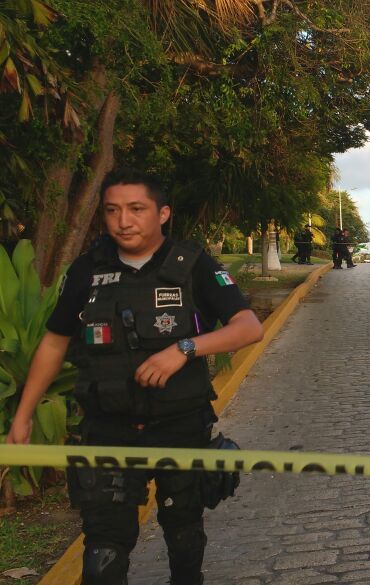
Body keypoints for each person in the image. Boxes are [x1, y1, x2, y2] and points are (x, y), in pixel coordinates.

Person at [5, 168, 264, 585]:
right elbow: (54, 342)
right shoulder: (88, 270)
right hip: (107, 430)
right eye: (113, 211)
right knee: (103, 552)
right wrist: (24, 412)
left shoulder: (193, 264)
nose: (123, 220)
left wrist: (183, 349)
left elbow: (249, 327)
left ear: (162, 213)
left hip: (180, 427)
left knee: (184, 538)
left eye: (136, 209)